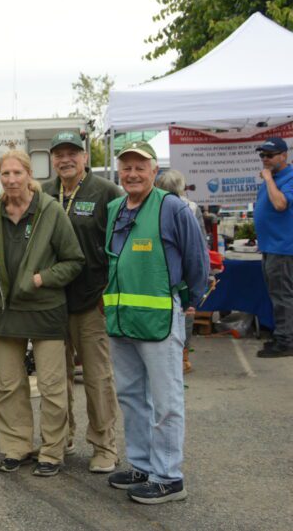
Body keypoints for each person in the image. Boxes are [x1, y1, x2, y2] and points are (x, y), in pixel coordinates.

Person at [105, 141, 208, 504]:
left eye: (140, 167)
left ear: (153, 171)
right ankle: (143, 464)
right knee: (132, 397)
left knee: (166, 400)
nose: (132, 173)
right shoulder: (115, 208)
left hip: (160, 320)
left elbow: (197, 258)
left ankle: (168, 476)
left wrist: (191, 302)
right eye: (126, 167)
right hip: (121, 321)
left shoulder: (172, 207)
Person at [0, 149, 84, 478]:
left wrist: (42, 279)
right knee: (9, 385)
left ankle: (52, 451)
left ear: (29, 174)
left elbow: (74, 260)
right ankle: (16, 447)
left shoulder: (51, 211)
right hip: (6, 309)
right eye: (5, 174)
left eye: (17, 173)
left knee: (52, 386)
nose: (11, 180)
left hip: (45, 309)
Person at [42, 131, 123, 472]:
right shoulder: (43, 193)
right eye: (59, 154)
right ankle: (62, 440)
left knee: (97, 377)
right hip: (51, 303)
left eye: (72, 153)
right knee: (54, 379)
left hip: (92, 300)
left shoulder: (107, 193)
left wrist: (111, 292)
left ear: (85, 157)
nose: (65, 159)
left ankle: (104, 445)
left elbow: (121, 248)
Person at [154, 169, 205, 373]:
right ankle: (183, 357)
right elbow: (200, 245)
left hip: (166, 269)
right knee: (186, 311)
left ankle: (174, 356)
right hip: (184, 271)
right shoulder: (191, 207)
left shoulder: (153, 206)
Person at [252, 137, 293, 358]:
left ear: (284, 155)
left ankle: (286, 341)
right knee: (277, 294)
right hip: (271, 246)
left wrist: (268, 179)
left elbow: (280, 204)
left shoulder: (288, 177)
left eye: (269, 155)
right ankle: (282, 335)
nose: (265, 159)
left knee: (282, 296)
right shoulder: (276, 178)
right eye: (262, 155)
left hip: (283, 247)